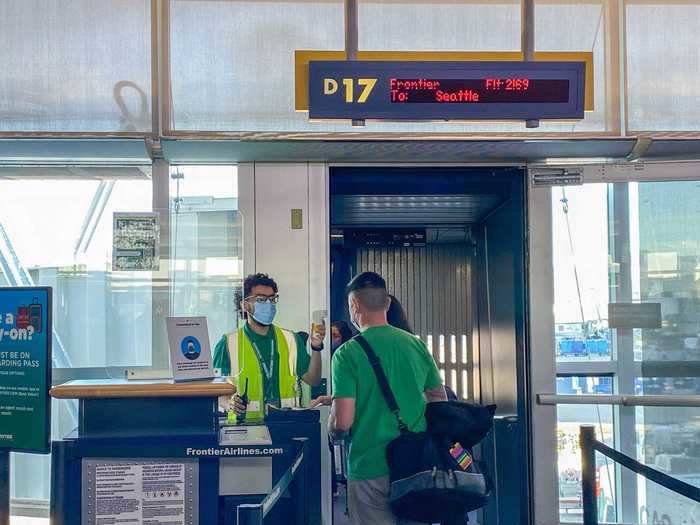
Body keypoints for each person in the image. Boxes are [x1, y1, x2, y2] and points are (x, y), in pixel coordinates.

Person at [329, 272, 447, 525]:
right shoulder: (414, 344)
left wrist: (332, 428)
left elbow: (343, 422)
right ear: (387, 303)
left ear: (354, 306)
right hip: (416, 463)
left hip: (370, 465)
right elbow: (438, 398)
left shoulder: (346, 354)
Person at [213, 273, 325, 420]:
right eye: (261, 299)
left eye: (272, 299)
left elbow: (313, 380)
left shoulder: (291, 339)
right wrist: (229, 404)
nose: (268, 304)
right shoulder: (227, 344)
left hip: (286, 425)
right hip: (245, 427)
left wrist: (316, 347)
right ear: (244, 304)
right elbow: (216, 393)